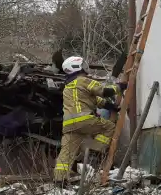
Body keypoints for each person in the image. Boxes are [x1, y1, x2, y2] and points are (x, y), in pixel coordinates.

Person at [53, 56, 124, 184]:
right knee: (109, 127)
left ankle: (59, 180)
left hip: (69, 125)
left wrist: (111, 106)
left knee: (66, 153)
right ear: (78, 66)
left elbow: (95, 100)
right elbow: (104, 91)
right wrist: (120, 86)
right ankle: (94, 151)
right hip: (84, 119)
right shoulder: (83, 80)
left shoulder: (68, 87)